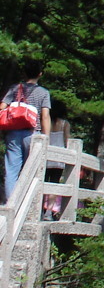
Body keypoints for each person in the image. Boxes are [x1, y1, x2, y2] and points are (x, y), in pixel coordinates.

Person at [2, 57, 51, 202]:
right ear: (40, 74)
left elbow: (2, 107)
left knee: (11, 170)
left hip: (13, 133)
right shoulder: (43, 92)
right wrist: (45, 138)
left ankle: (11, 203)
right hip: (32, 133)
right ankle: (27, 203)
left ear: (24, 73)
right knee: (31, 170)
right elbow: (45, 116)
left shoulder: (15, 88)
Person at [42, 101, 70, 220]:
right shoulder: (64, 124)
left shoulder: (44, 122)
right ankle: (48, 212)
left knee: (43, 183)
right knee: (54, 184)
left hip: (46, 157)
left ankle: (39, 210)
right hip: (59, 159)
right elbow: (67, 141)